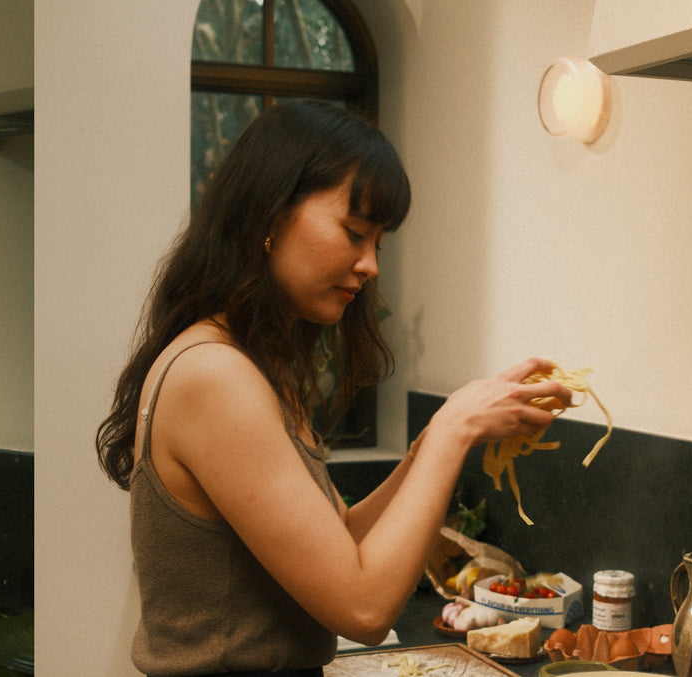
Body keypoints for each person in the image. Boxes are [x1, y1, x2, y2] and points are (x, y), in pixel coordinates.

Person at [96, 100, 571, 677]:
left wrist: (434, 443)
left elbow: (338, 544)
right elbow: (363, 608)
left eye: (378, 242)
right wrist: (454, 428)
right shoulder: (213, 375)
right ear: (269, 219)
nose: (370, 264)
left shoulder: (252, 363)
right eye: (353, 233)